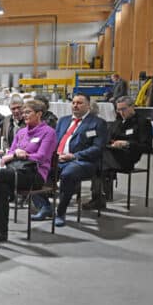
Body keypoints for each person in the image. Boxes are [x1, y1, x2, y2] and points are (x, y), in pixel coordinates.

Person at [0, 100, 57, 245]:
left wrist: (23, 155)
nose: (24, 115)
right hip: (14, 172)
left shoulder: (48, 132)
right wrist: (13, 155)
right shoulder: (21, 132)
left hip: (35, 175)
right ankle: (1, 233)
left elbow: (43, 156)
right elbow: (11, 151)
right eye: (23, 112)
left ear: (39, 114)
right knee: (1, 187)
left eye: (28, 112)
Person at [31, 93, 107, 227]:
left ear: (88, 105)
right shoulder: (63, 120)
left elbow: (97, 148)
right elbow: (53, 141)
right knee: (30, 170)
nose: (75, 105)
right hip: (58, 159)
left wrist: (74, 156)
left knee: (68, 174)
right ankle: (45, 207)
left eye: (79, 103)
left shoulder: (97, 123)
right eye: (73, 103)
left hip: (81, 161)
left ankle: (61, 213)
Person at [84, 96, 152, 209]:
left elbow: (147, 147)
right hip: (111, 153)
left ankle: (98, 198)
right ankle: (98, 197)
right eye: (118, 110)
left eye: (123, 109)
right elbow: (108, 137)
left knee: (98, 160)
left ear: (132, 107)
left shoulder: (142, 123)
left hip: (127, 157)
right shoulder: (118, 121)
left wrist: (127, 143)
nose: (121, 112)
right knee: (96, 157)